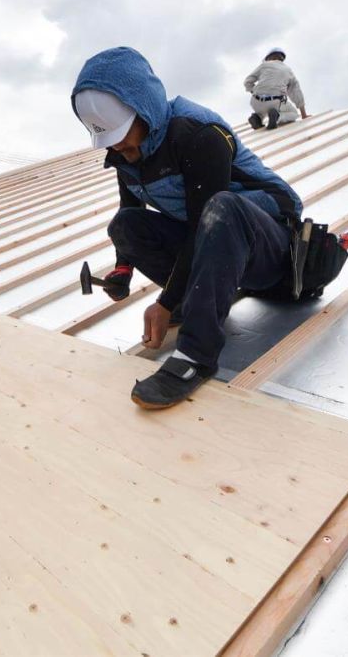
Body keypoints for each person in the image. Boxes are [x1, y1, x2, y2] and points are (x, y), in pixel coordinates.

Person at [72, 47, 303, 409]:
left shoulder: (197, 133)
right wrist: (122, 271)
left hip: (274, 248)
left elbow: (203, 222)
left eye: (122, 134)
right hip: (219, 243)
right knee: (125, 226)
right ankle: (189, 300)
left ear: (142, 108)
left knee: (222, 206)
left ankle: (196, 356)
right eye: (110, 138)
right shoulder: (125, 153)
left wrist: (166, 302)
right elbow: (130, 207)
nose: (120, 147)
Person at [244, 47, 308, 130]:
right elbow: (296, 92)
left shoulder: (263, 66)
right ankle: (277, 117)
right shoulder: (288, 71)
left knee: (263, 111)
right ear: (281, 58)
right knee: (293, 113)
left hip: (255, 102)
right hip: (275, 102)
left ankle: (257, 118)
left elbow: (247, 82)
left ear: (268, 58)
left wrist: (254, 92)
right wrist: (304, 115)